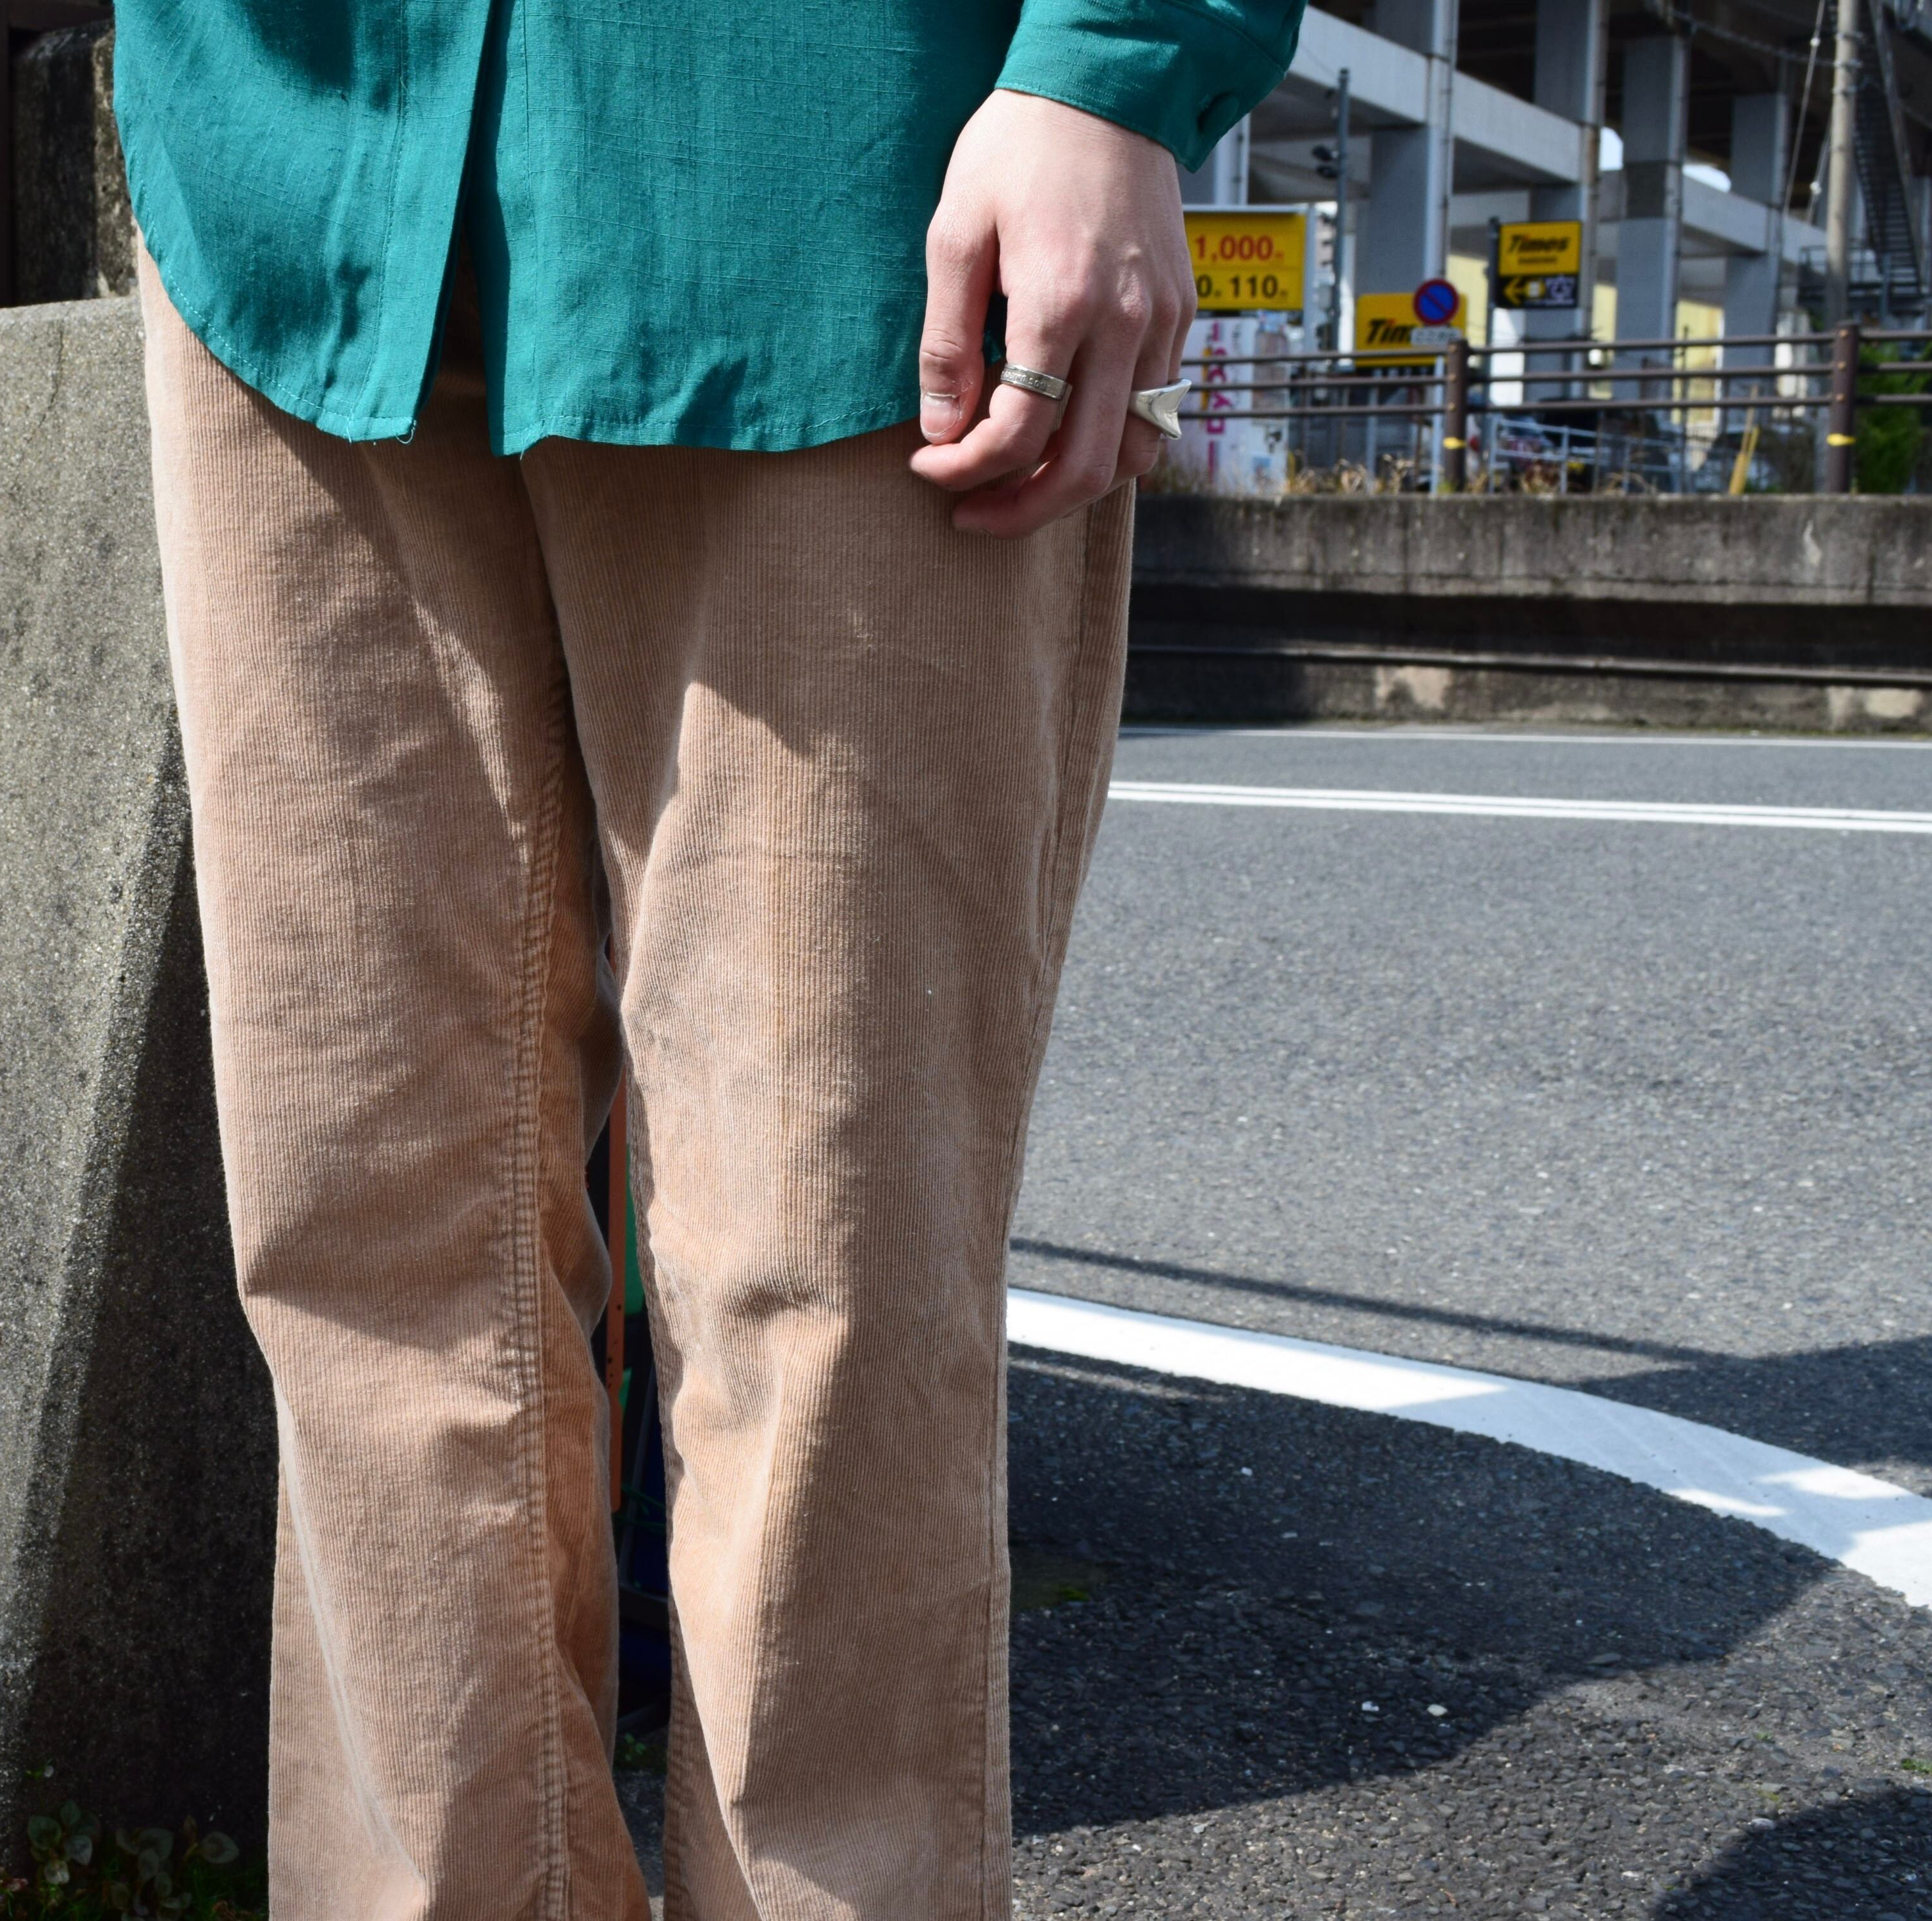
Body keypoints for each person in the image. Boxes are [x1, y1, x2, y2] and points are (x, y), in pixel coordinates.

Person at [111, 2, 1303, 1913]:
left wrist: (1113, 62)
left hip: (825, 151)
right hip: (289, 153)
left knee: (821, 1269)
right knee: (364, 1239)